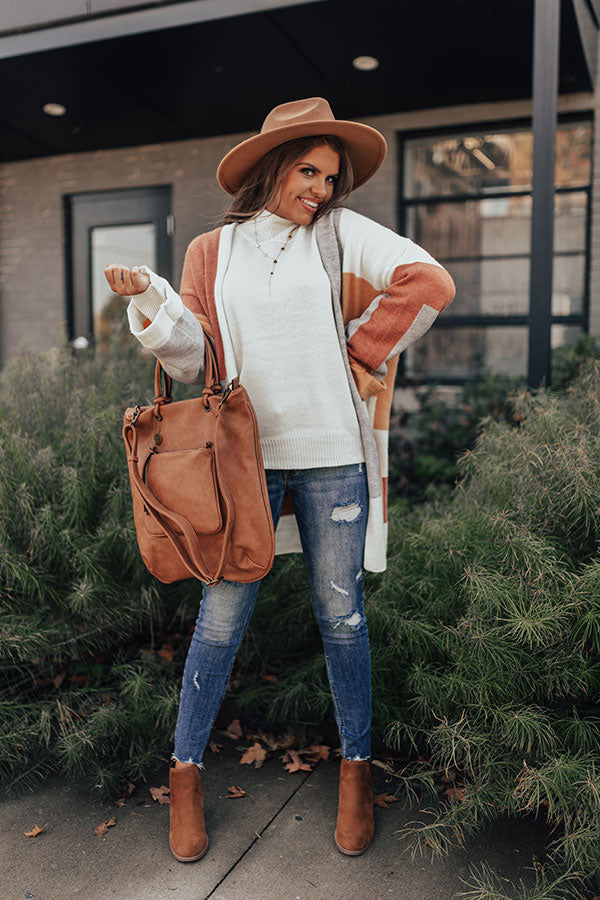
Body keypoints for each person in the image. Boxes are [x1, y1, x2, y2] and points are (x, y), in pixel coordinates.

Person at [104, 97, 455, 863]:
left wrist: (359, 354)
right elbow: (193, 360)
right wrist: (151, 302)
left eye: (330, 177)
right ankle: (185, 774)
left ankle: (356, 771)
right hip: (242, 462)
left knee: (342, 618)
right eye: (308, 172)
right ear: (272, 169)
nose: (322, 190)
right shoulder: (212, 252)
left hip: (333, 456)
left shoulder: (339, 234)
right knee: (221, 619)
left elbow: (428, 281)